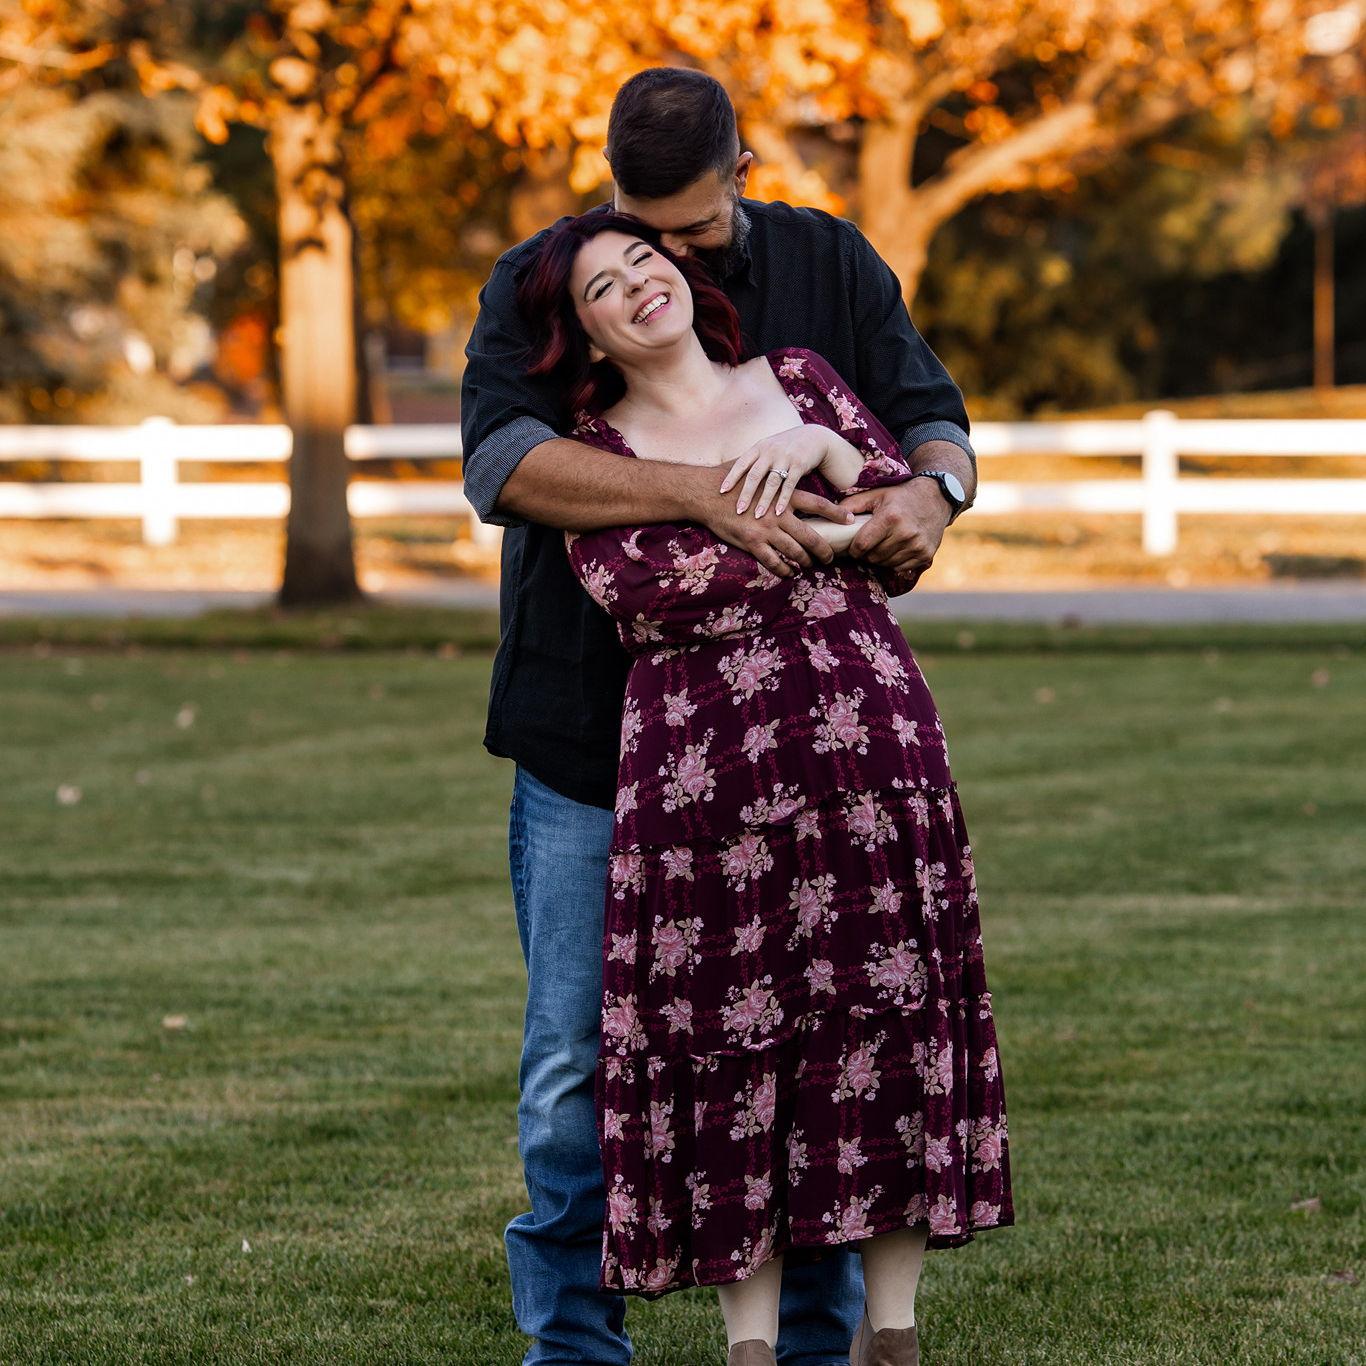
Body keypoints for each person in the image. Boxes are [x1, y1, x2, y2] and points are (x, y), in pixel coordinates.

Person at [461, 68, 983, 1366]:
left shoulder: (825, 264)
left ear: (741, 171)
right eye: (641, 233)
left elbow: (925, 419)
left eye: (689, 231)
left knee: (825, 1024)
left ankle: (816, 1343)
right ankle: (574, 1346)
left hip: (820, 749)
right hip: (600, 740)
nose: (670, 261)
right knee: (578, 1060)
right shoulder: (543, 280)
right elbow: (502, 463)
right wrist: (707, 490)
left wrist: (928, 496)